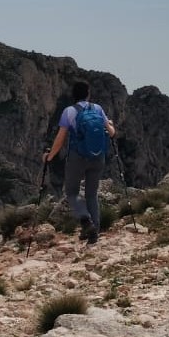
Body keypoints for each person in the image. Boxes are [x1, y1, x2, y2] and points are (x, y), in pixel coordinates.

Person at [43, 79, 118, 243]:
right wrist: (110, 124)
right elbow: (112, 133)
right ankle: (94, 233)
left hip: (77, 157)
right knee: (92, 194)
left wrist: (50, 156)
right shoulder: (97, 108)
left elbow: (60, 139)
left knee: (72, 193)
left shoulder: (69, 111)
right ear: (88, 94)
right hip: (98, 156)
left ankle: (86, 221)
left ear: (73, 95)